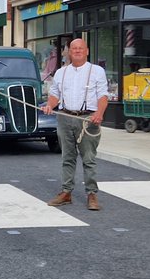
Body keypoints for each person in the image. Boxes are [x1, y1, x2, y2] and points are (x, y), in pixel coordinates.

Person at [40, 38, 109, 211]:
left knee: (89, 158)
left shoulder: (97, 71)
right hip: (64, 117)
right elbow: (55, 95)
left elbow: (103, 96)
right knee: (67, 157)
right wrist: (50, 105)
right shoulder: (61, 72)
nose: (77, 51)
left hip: (88, 120)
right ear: (69, 52)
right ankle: (66, 192)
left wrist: (99, 114)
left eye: (81, 48)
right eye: (74, 49)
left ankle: (92, 194)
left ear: (87, 51)